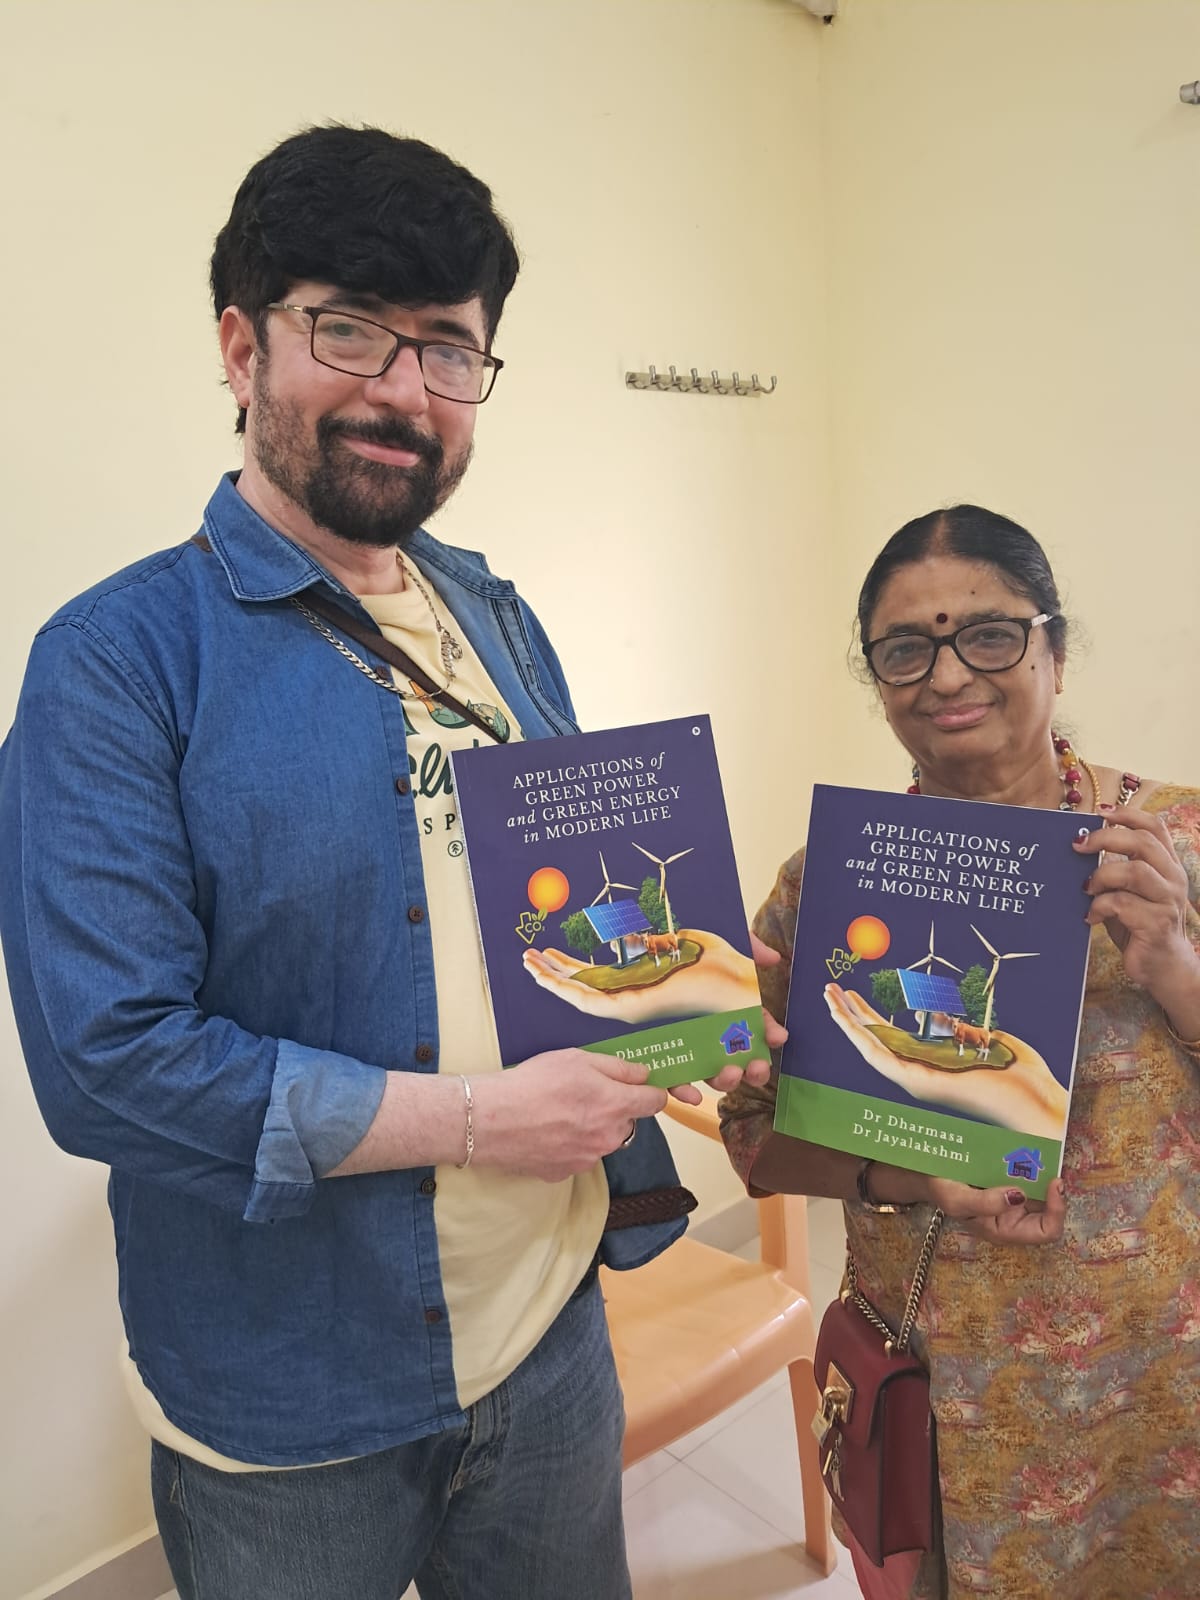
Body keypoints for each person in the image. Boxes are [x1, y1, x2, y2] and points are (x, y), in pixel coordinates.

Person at [0, 125, 767, 1600]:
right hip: (293, 1398)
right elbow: (108, 1065)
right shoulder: (117, 661)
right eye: (349, 329)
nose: (405, 392)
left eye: (449, 349)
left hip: (548, 1329)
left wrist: (693, 999)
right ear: (243, 347)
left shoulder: (493, 610)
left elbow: (568, 897)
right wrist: (481, 1121)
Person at [720, 505, 1200, 1600]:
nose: (947, 676)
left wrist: (1175, 964)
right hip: (947, 1393)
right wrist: (901, 1174)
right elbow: (755, 1135)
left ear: (1055, 650)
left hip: (1162, 1374)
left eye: (989, 634)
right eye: (906, 650)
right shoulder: (826, 886)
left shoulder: (1174, 840)